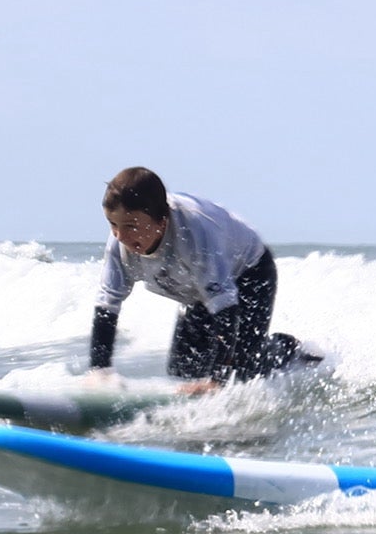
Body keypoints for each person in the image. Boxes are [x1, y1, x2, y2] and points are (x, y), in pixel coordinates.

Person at [87, 166, 305, 391]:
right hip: (199, 289)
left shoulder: (195, 235)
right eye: (113, 224)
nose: (120, 236)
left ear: (162, 221)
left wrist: (216, 380)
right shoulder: (120, 245)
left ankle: (286, 348)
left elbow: (226, 308)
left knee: (240, 374)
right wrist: (99, 369)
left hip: (249, 272)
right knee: (183, 369)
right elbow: (107, 305)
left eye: (131, 226)